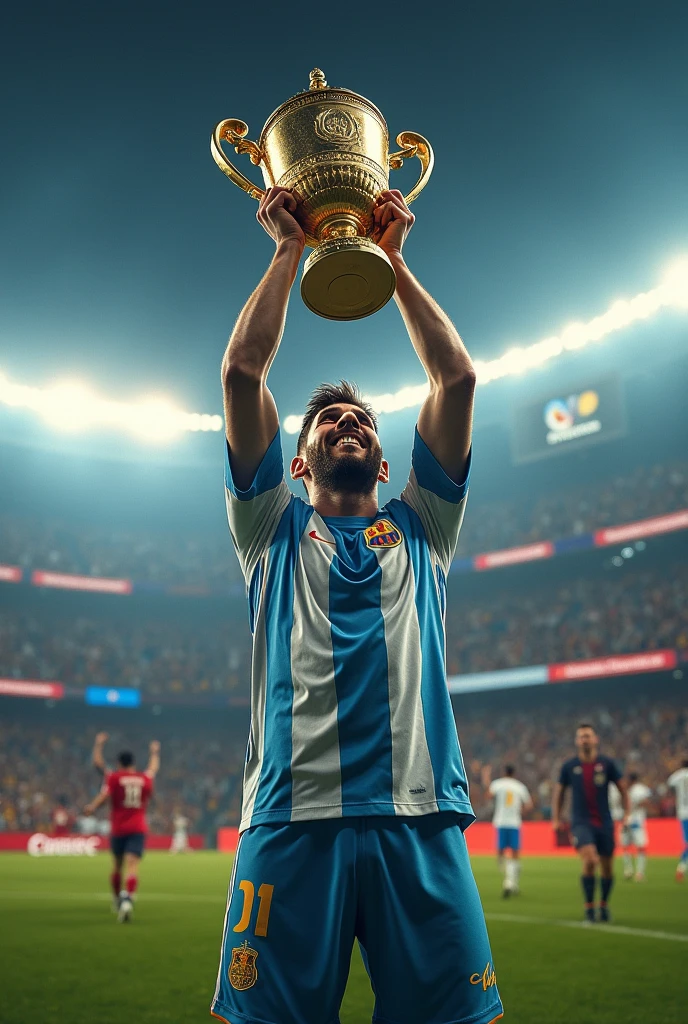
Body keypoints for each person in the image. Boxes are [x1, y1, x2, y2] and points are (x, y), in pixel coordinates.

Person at [210, 186, 502, 1024]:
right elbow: (241, 372)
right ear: (295, 466)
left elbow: (457, 376)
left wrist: (394, 264)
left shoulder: (425, 528)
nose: (348, 423)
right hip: (291, 821)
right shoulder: (268, 528)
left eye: (362, 421)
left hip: (420, 819)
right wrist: (289, 251)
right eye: (329, 419)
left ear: (383, 463)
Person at [552, 722, 628, 923]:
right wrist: (556, 818)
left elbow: (623, 789)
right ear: (577, 742)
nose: (584, 739)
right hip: (580, 822)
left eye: (588, 736)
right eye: (581, 736)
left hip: (604, 822)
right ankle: (589, 908)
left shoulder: (607, 764)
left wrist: (627, 814)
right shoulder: (569, 766)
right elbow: (559, 792)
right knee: (590, 860)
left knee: (607, 868)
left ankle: (603, 905)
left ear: (596, 739)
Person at [84, 734, 160, 923]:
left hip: (118, 829)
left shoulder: (114, 777)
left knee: (117, 866)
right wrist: (154, 752)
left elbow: (98, 766)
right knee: (132, 866)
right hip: (137, 828)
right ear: (133, 763)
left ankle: (118, 900)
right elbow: (153, 768)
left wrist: (98, 744)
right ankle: (128, 899)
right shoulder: (143, 778)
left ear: (118, 763)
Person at [488, 765, 532, 897]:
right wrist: (520, 812)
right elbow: (529, 805)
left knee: (500, 852)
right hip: (514, 823)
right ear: (514, 773)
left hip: (500, 822)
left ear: (503, 772)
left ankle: (508, 880)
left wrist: (485, 777)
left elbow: (489, 795)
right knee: (515, 853)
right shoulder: (519, 786)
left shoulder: (497, 784)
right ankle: (511, 882)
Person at [621, 773, 652, 882]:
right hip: (632, 822)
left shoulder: (631, 789)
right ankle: (633, 871)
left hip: (630, 821)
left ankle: (635, 872)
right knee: (632, 847)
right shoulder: (638, 789)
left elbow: (645, 802)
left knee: (630, 847)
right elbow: (646, 802)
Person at [667, 758, 688, 882]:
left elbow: (670, 783)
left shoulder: (678, 775)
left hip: (683, 812)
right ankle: (681, 867)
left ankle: (681, 868)